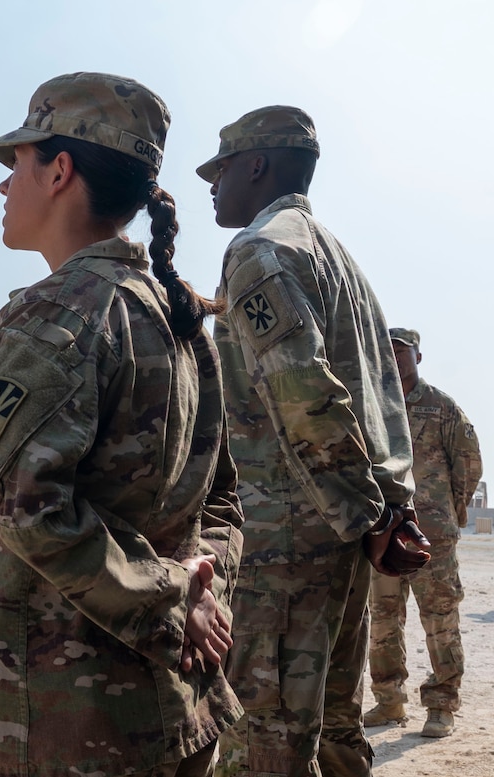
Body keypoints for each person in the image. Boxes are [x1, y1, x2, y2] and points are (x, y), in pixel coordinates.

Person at [0, 71, 245, 777]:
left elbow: (25, 508)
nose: (4, 186)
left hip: (70, 724)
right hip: (178, 706)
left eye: (18, 164)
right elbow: (226, 503)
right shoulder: (183, 321)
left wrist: (180, 599)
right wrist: (200, 585)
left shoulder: (56, 313)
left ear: (59, 171)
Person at [197, 106, 432, 776]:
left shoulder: (259, 250)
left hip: (290, 533)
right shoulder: (337, 258)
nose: (211, 186)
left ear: (257, 165)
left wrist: (369, 513)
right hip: (347, 526)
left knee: (264, 734)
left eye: (219, 171)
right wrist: (385, 510)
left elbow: (305, 394)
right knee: (334, 720)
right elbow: (379, 399)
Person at [364, 327, 483, 737]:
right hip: (384, 533)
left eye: (402, 351)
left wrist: (450, 511)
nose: (394, 358)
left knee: (440, 619)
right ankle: (388, 701)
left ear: (418, 355)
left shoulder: (441, 407)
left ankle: (441, 704)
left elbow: (469, 464)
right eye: (388, 352)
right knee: (382, 623)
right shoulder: (372, 406)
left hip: (432, 536)